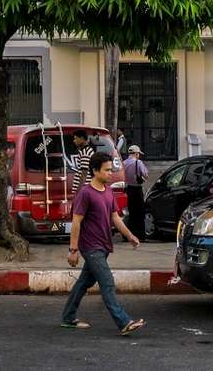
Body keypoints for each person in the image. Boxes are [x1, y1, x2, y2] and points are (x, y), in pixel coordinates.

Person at [57, 152, 144, 336]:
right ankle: (123, 322)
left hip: (104, 246)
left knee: (83, 283)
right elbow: (76, 222)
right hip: (91, 247)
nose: (110, 173)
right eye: (107, 170)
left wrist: (130, 235)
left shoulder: (108, 191)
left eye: (111, 170)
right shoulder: (85, 194)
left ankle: (68, 317)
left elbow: (115, 217)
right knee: (107, 283)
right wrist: (73, 250)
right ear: (95, 171)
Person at [121, 144, 149, 239]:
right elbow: (145, 174)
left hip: (127, 189)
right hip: (137, 189)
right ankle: (140, 235)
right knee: (139, 212)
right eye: (139, 154)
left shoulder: (123, 163)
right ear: (136, 154)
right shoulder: (138, 162)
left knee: (129, 212)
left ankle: (127, 235)